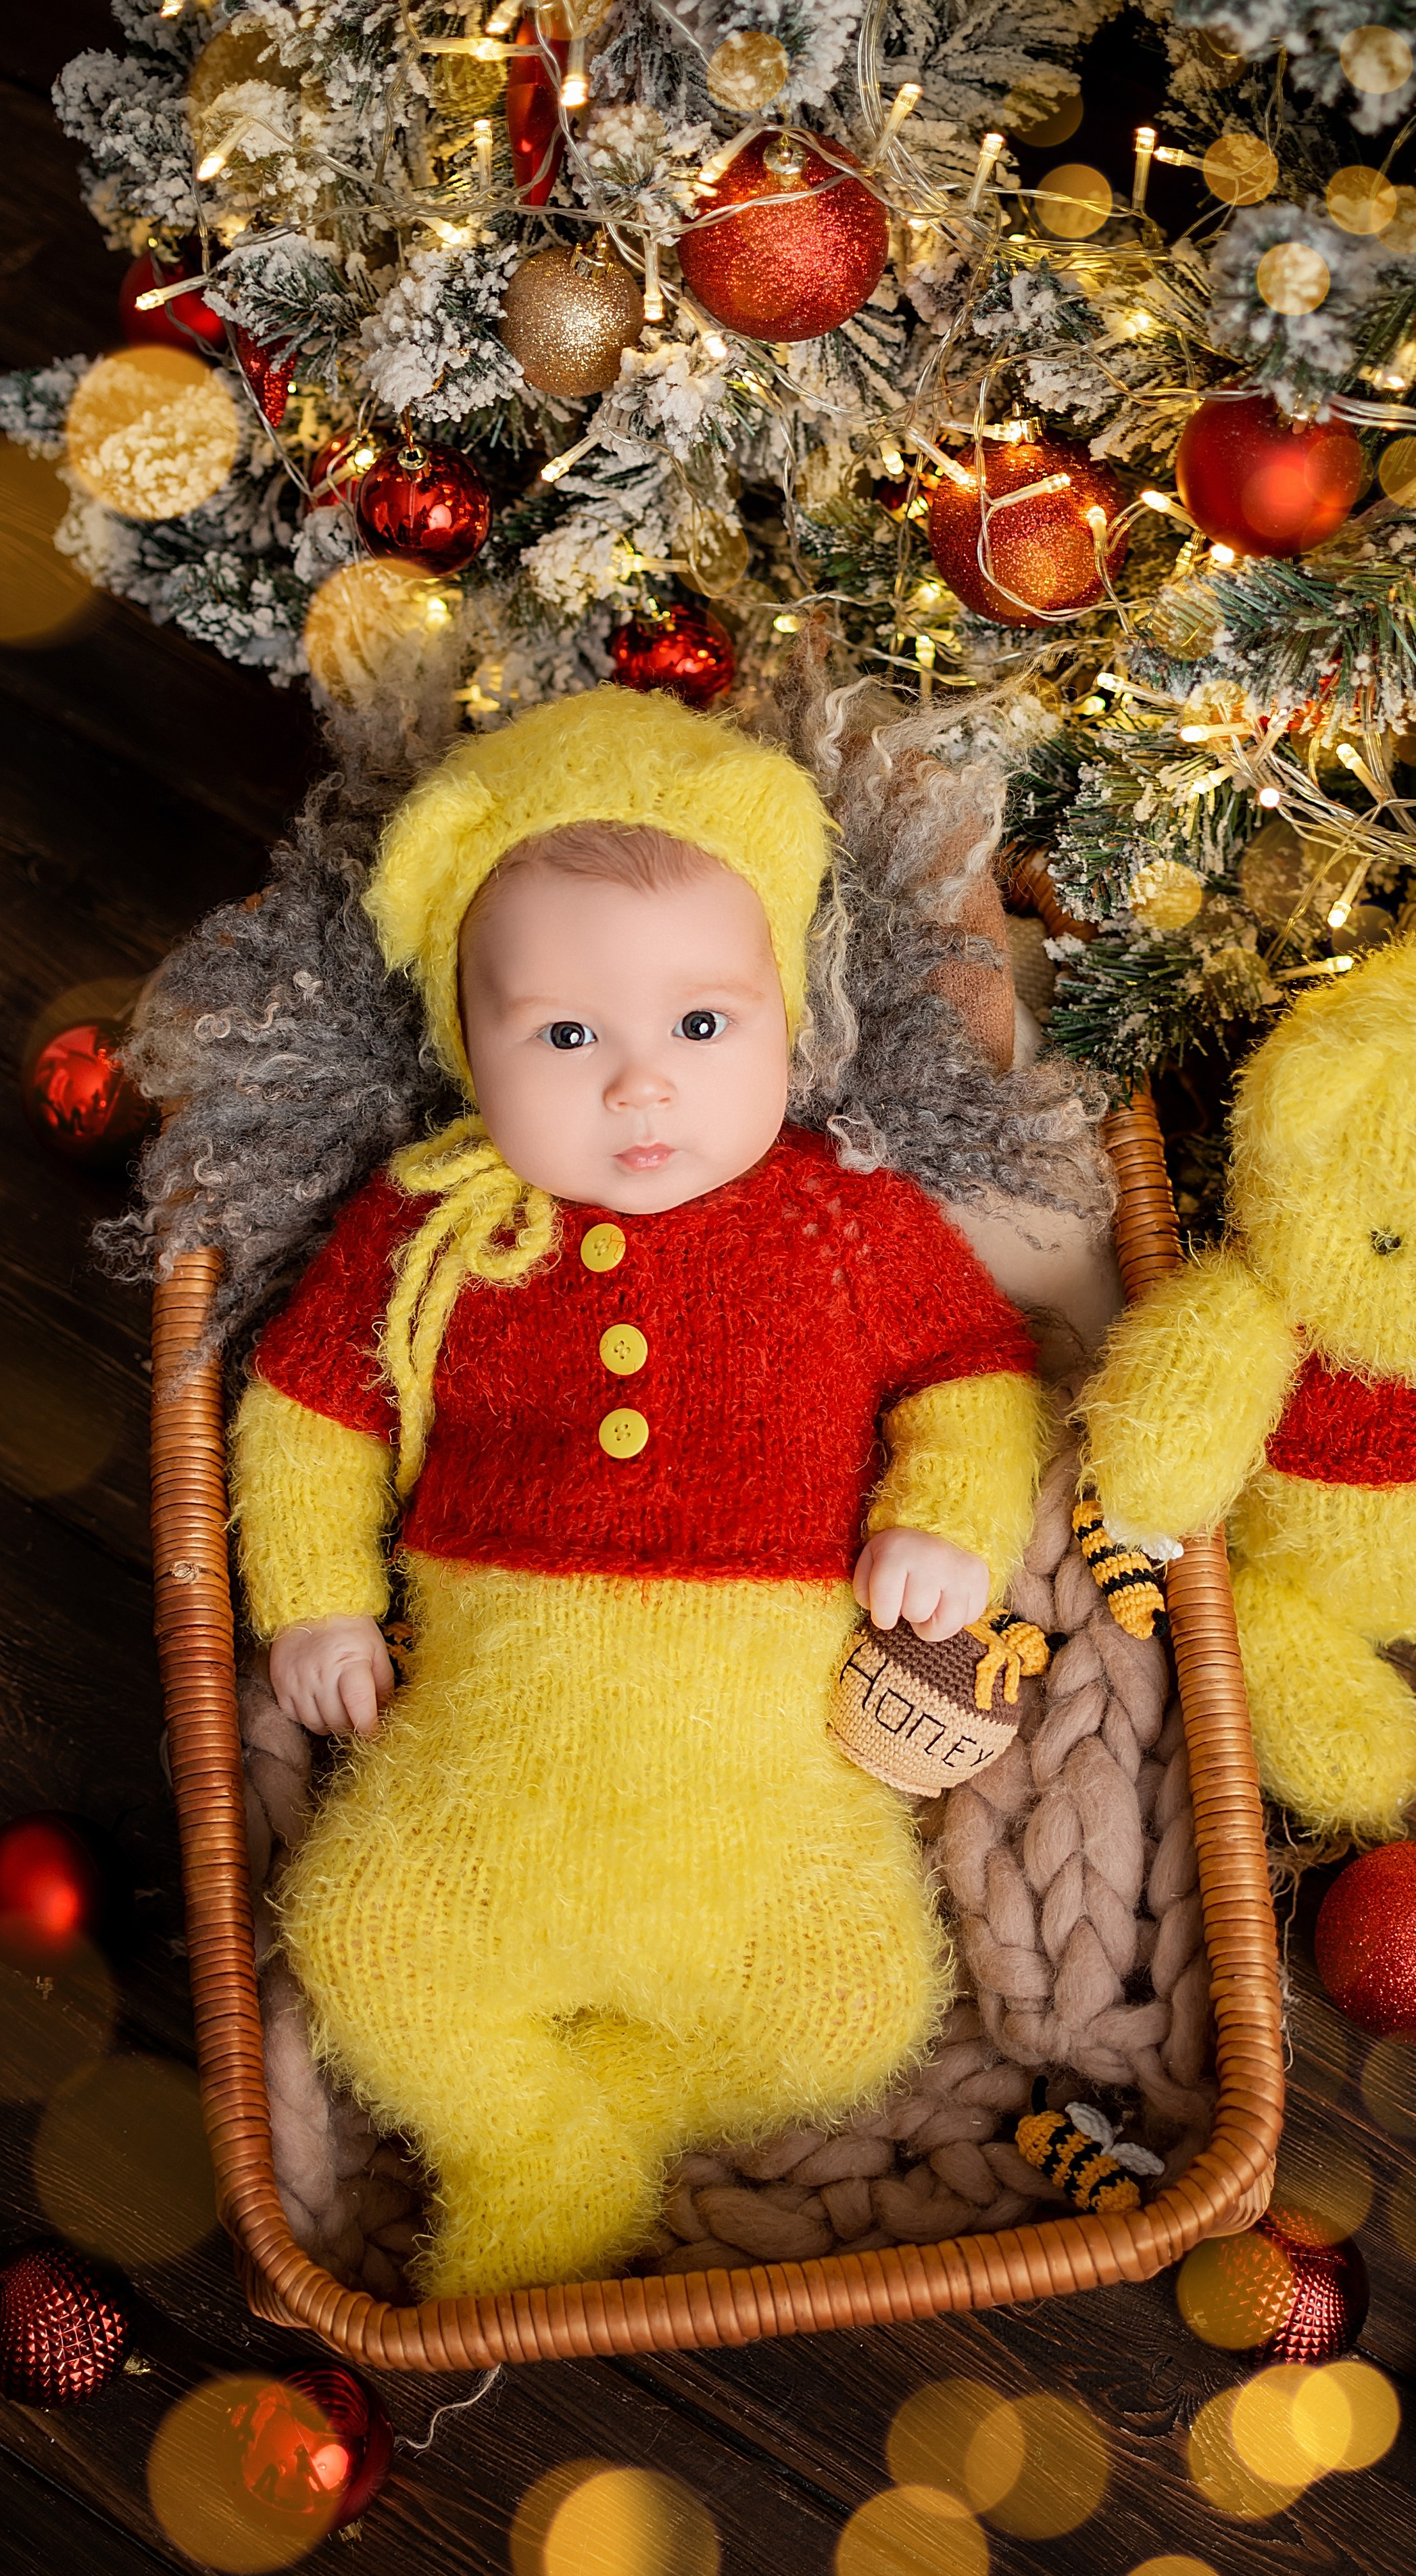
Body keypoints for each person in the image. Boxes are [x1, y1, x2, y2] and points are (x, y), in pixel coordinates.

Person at [228, 684, 1046, 2295]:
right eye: (564, 1034)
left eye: (698, 1024)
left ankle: (589, 2127)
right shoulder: (428, 1229)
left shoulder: (838, 1222)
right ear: (469, 1042)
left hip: (761, 1796)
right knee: (360, 1949)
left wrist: (945, 1515)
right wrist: (313, 1597)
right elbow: (304, 1411)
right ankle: (530, 2139)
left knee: (853, 2013)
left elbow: (974, 1368)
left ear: (784, 1026)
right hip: (476, 1778)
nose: (640, 1087)